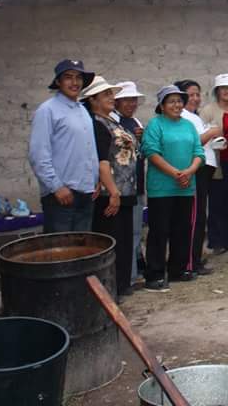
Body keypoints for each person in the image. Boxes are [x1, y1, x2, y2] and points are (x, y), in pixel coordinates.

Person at [140, 85, 204, 291]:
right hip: (162, 188)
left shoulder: (188, 125)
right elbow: (151, 152)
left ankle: (177, 269)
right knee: (159, 231)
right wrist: (176, 173)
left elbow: (199, 152)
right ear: (162, 105)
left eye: (179, 101)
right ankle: (155, 275)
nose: (176, 105)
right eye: (171, 101)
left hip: (186, 187)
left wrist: (190, 171)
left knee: (182, 231)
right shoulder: (155, 125)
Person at [81, 77, 139, 298]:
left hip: (126, 191)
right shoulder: (96, 124)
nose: (111, 98)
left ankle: (121, 286)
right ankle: (109, 290)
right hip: (110, 194)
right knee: (111, 242)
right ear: (92, 100)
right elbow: (102, 161)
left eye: (111, 94)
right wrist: (113, 191)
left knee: (124, 242)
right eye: (106, 95)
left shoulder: (113, 121)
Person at [28, 59, 98, 233]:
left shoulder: (82, 110)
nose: (74, 83)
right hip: (61, 196)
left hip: (85, 193)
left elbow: (88, 149)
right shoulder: (48, 110)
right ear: (58, 82)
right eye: (68, 77)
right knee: (60, 253)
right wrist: (57, 186)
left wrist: (95, 181)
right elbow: (38, 154)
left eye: (78, 77)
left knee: (82, 251)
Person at [175, 79, 215, 277]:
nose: (195, 98)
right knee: (195, 217)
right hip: (195, 168)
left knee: (199, 216)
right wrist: (213, 132)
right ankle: (191, 262)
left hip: (203, 168)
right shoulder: (184, 117)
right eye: (191, 95)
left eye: (198, 94)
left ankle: (194, 258)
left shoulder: (194, 116)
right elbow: (196, 141)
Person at [199, 74, 228, 255]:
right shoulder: (208, 110)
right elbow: (201, 135)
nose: (227, 91)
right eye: (224, 88)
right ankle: (216, 240)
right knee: (217, 201)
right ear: (217, 91)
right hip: (216, 161)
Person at [112, 81, 147, 287]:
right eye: (126, 100)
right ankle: (129, 278)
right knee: (126, 234)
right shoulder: (114, 123)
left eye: (133, 100)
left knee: (135, 232)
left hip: (137, 186)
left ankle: (133, 274)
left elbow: (140, 154)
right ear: (116, 102)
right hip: (121, 188)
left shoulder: (135, 122)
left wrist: (141, 140)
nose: (131, 104)